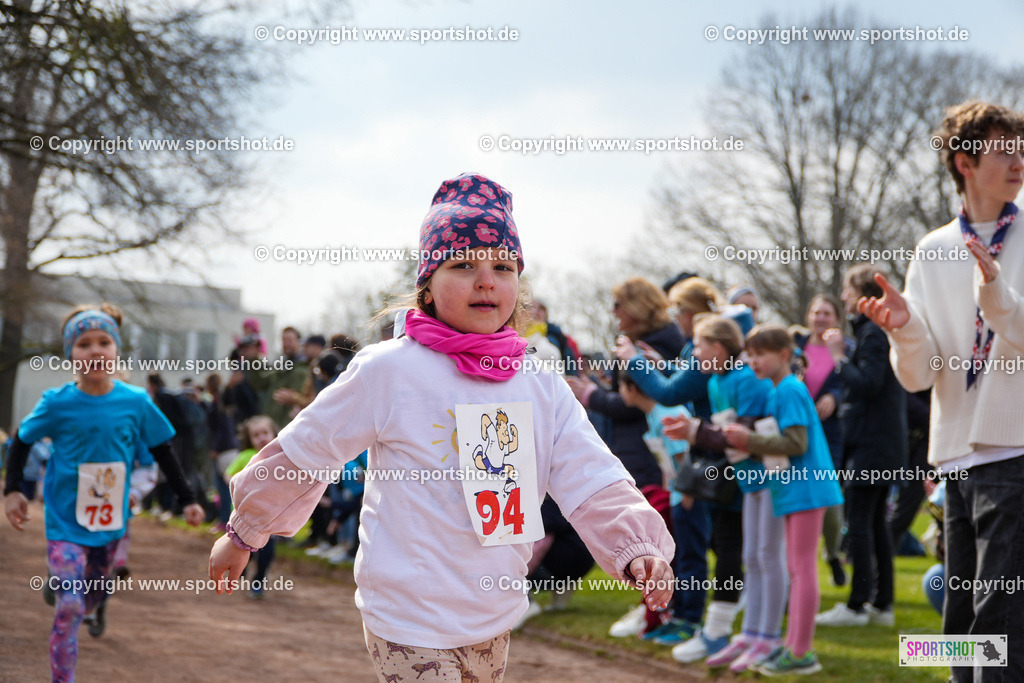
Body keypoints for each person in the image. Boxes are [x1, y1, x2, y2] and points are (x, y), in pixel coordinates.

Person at [208, 173, 675, 682]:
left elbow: (592, 473)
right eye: (462, 265)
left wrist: (637, 548)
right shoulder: (388, 370)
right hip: (407, 612)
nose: (485, 280)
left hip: (491, 608)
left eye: (502, 265)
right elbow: (309, 448)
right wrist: (246, 529)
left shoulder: (539, 384)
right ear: (426, 288)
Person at [859, 101, 1024, 682]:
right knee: (957, 619)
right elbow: (918, 376)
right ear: (965, 162)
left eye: (1020, 149)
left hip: (1014, 452)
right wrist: (904, 328)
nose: (1018, 161)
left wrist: (996, 294)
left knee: (998, 617)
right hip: (952, 456)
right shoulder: (931, 249)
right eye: (1004, 149)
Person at [3, 304, 203, 682]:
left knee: (91, 596)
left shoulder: (136, 401)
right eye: (83, 344)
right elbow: (22, 440)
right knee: (70, 606)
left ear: (116, 350)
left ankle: (92, 597)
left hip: (109, 522)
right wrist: (13, 489)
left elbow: (162, 449)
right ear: (70, 354)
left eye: (104, 342)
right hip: (63, 520)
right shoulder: (56, 402)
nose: (95, 350)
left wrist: (188, 497)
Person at [721, 324, 844, 675]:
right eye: (750, 353)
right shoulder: (779, 390)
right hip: (792, 488)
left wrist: (748, 440)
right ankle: (791, 646)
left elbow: (796, 443)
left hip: (806, 487)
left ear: (785, 355)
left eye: (761, 353)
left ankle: (801, 652)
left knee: (802, 568)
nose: (753, 360)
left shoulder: (789, 389)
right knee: (795, 566)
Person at [662, 314, 781, 673]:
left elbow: (738, 434)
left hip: (764, 479)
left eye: (698, 346)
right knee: (732, 548)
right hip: (736, 477)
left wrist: (695, 431)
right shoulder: (716, 381)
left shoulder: (747, 379)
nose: (694, 354)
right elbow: (719, 434)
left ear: (717, 346)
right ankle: (737, 631)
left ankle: (728, 632)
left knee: (746, 553)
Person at [817, 265, 907, 628]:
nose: (843, 296)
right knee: (874, 524)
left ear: (864, 294)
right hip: (880, 443)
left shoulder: (873, 334)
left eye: (847, 289)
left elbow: (868, 384)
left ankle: (858, 605)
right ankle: (882, 605)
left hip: (872, 445)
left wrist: (838, 357)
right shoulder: (875, 332)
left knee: (860, 523)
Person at [618, 372, 706, 646]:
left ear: (632, 387)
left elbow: (683, 456)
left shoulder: (667, 411)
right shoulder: (654, 414)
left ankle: (691, 621)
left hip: (689, 497)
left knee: (691, 559)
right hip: (677, 496)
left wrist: (687, 492)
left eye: (619, 386)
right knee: (678, 561)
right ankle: (677, 617)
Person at [794, 294, 851, 587]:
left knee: (830, 498)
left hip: (830, 433)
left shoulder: (845, 348)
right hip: (796, 430)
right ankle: (799, 565)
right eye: (816, 312)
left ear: (836, 319)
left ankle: (832, 554)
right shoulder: (796, 345)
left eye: (826, 313)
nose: (820, 318)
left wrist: (834, 397)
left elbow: (850, 383)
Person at [225, 415, 279, 598]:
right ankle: (240, 571)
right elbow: (228, 475)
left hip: (269, 518)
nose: (261, 437)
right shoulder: (246, 457)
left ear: (274, 433)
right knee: (243, 549)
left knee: (266, 553)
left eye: (265, 432)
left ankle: (258, 582)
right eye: (256, 435)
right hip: (244, 517)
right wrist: (240, 483)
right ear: (249, 438)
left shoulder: (280, 457)